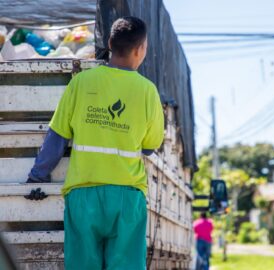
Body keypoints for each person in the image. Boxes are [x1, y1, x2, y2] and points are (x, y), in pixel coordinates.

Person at [25, 17, 164, 270]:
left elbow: (56, 137)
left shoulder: (81, 82)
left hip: (83, 195)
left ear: (110, 43)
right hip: (126, 197)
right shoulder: (148, 91)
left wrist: (37, 176)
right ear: (141, 49)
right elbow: (150, 146)